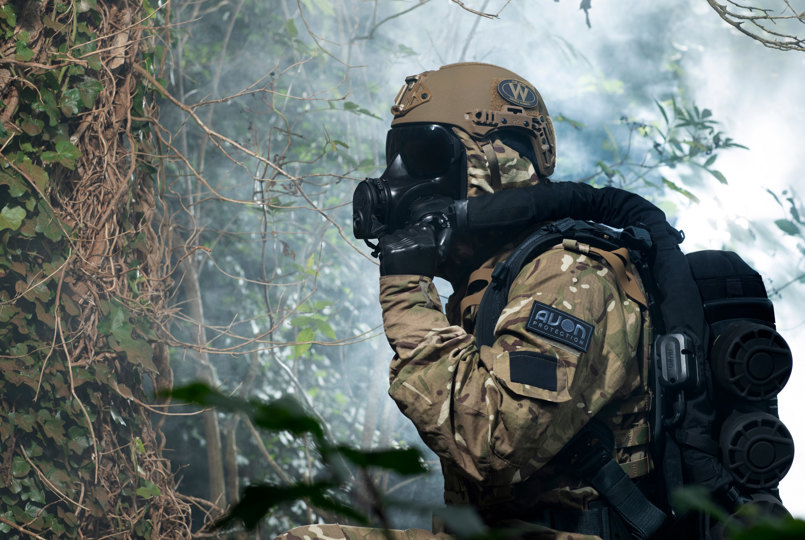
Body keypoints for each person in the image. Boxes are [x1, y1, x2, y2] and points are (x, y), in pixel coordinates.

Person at [278, 62, 658, 540]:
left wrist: (406, 294)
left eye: (424, 156)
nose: (397, 179)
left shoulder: (568, 275)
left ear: (498, 163)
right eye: (397, 157)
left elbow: (492, 444)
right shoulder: (496, 281)